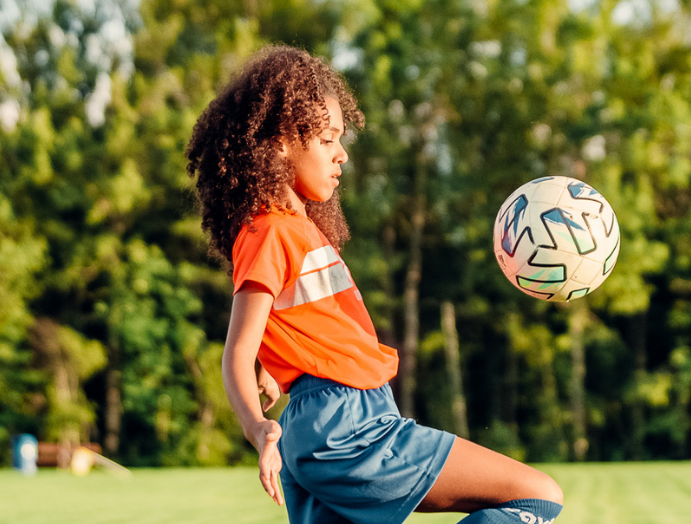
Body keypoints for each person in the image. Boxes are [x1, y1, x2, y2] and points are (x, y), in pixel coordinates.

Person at [186, 45, 566, 524]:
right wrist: (256, 426)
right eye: (327, 139)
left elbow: (289, 321)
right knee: (537, 497)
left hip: (322, 425)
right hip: (346, 424)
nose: (341, 154)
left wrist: (273, 360)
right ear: (281, 141)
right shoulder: (271, 231)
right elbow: (236, 350)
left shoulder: (293, 229)